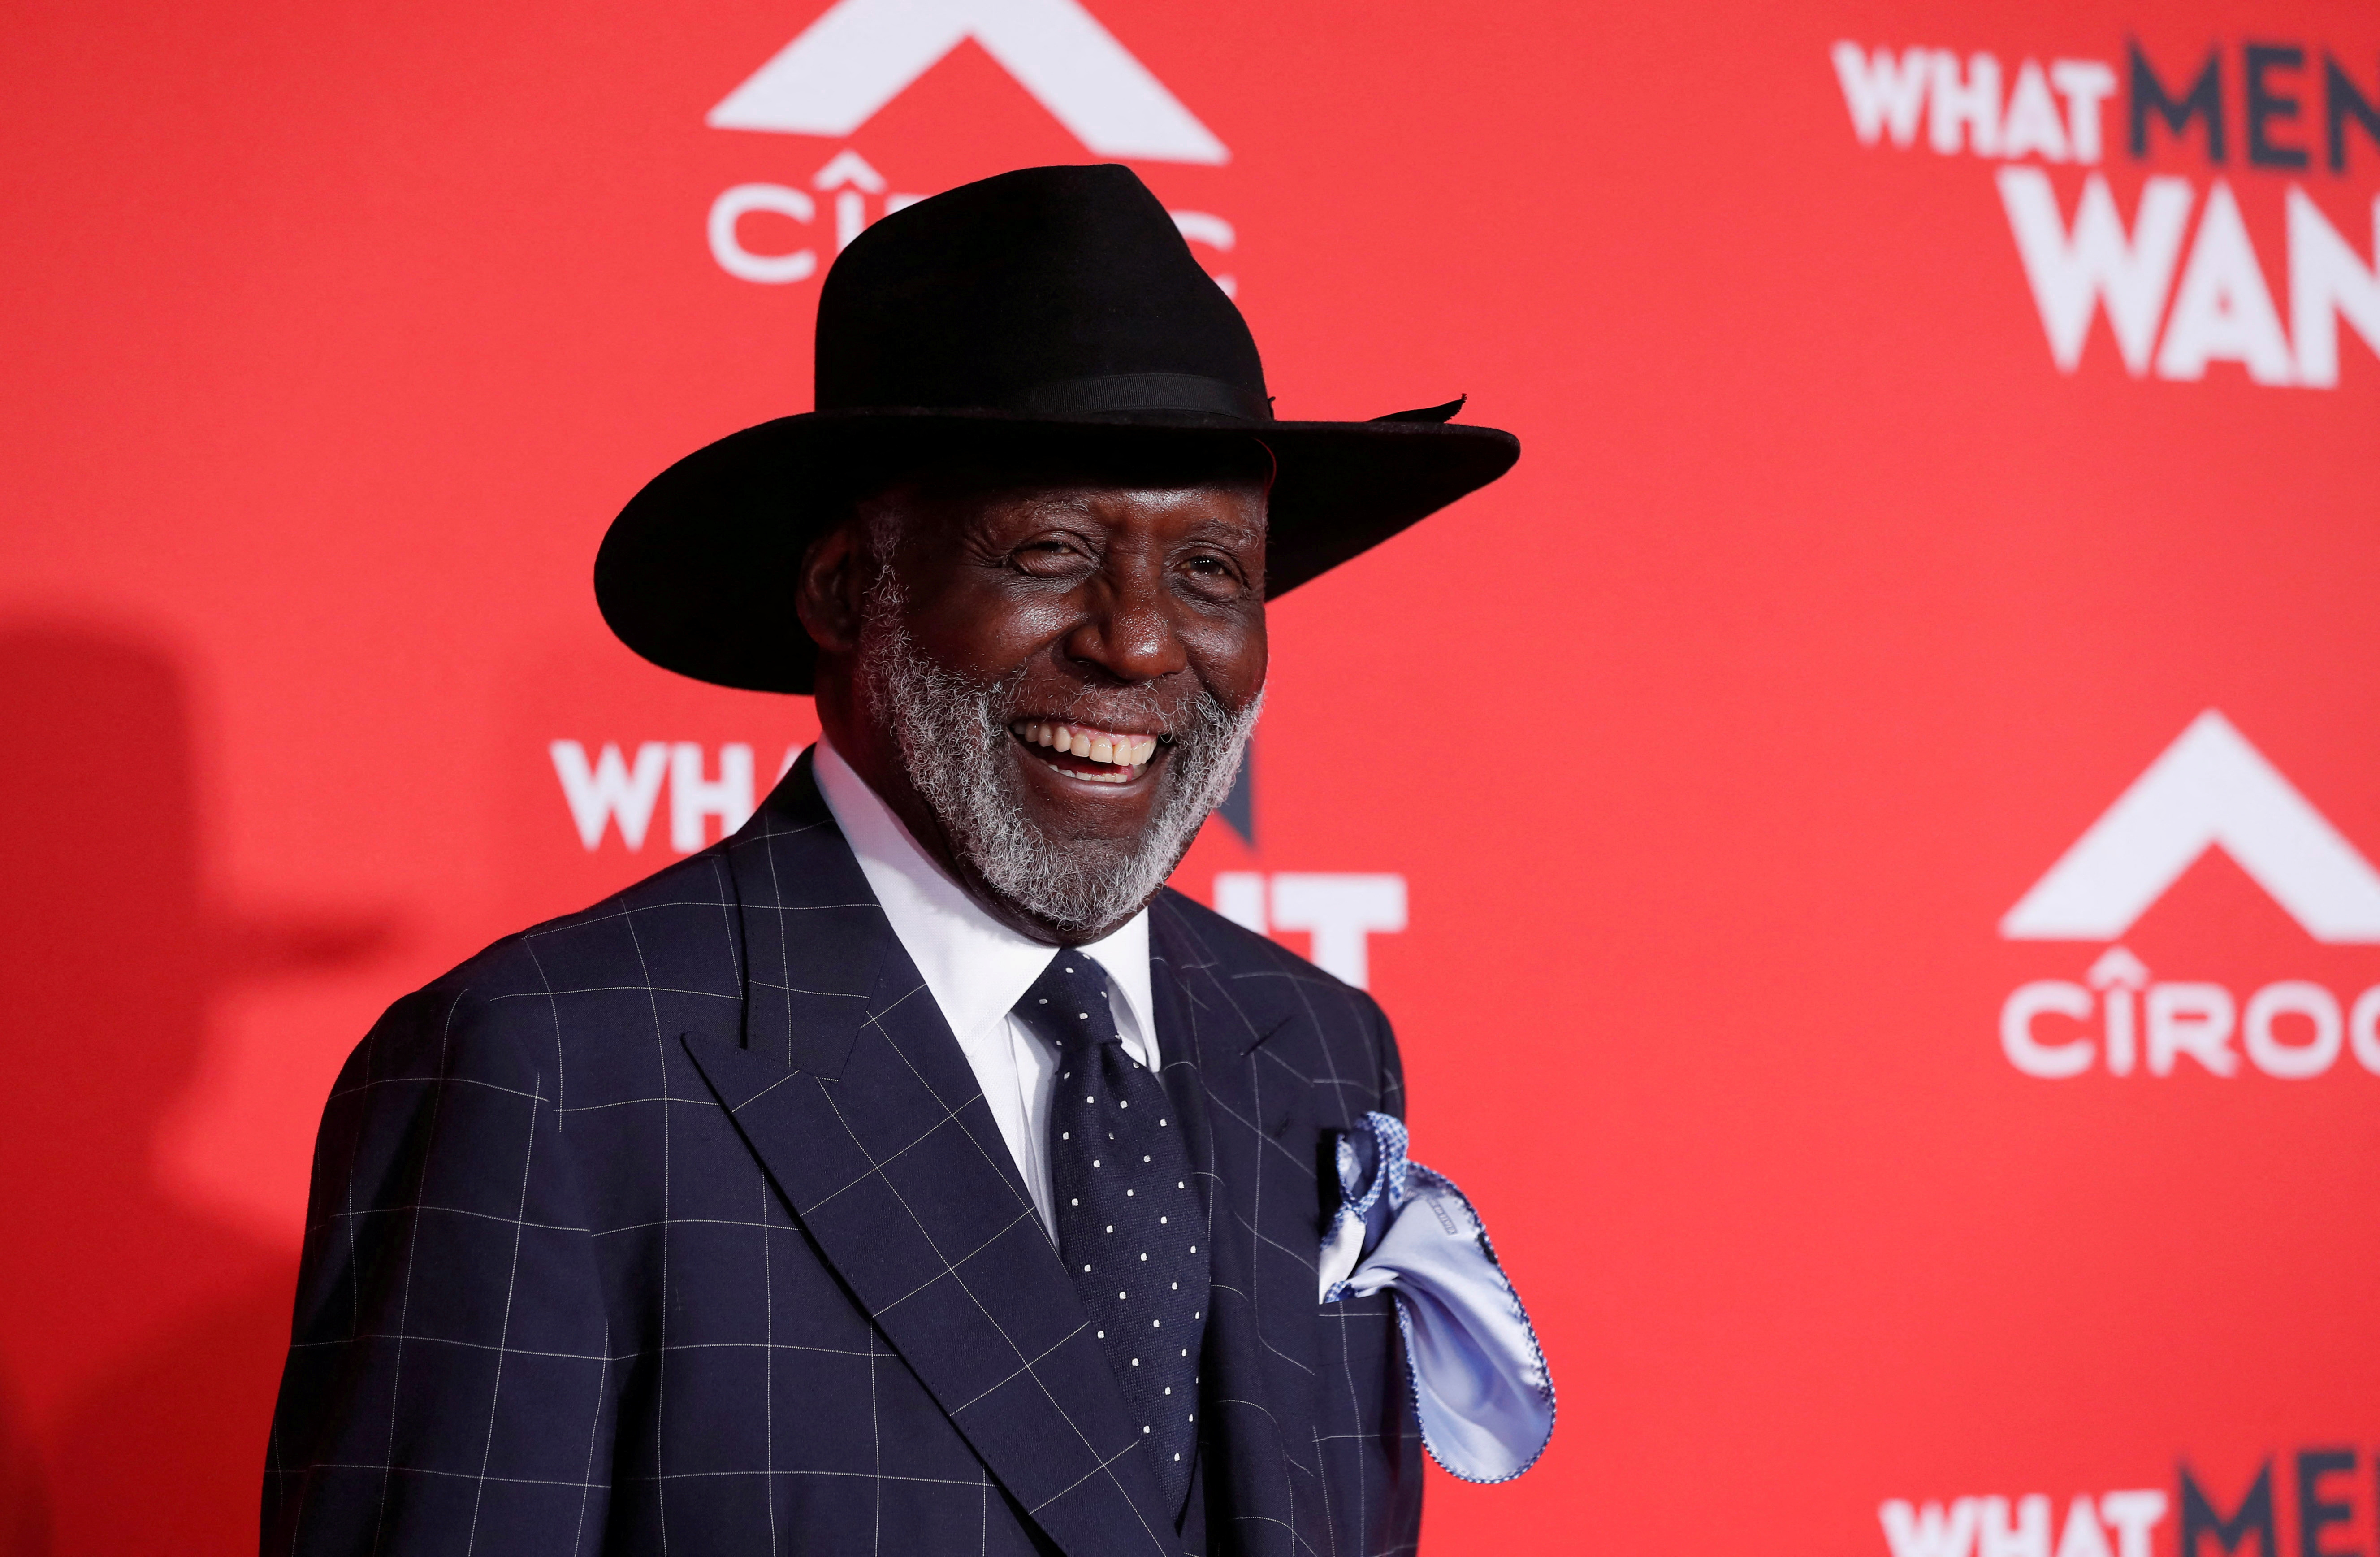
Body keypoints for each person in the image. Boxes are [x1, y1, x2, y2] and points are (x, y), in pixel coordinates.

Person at [262, 162, 1519, 1557]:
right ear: (845, 588)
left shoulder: (1324, 1050)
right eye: (1051, 550)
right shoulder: (552, 1069)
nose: (1144, 641)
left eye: (1213, 570)